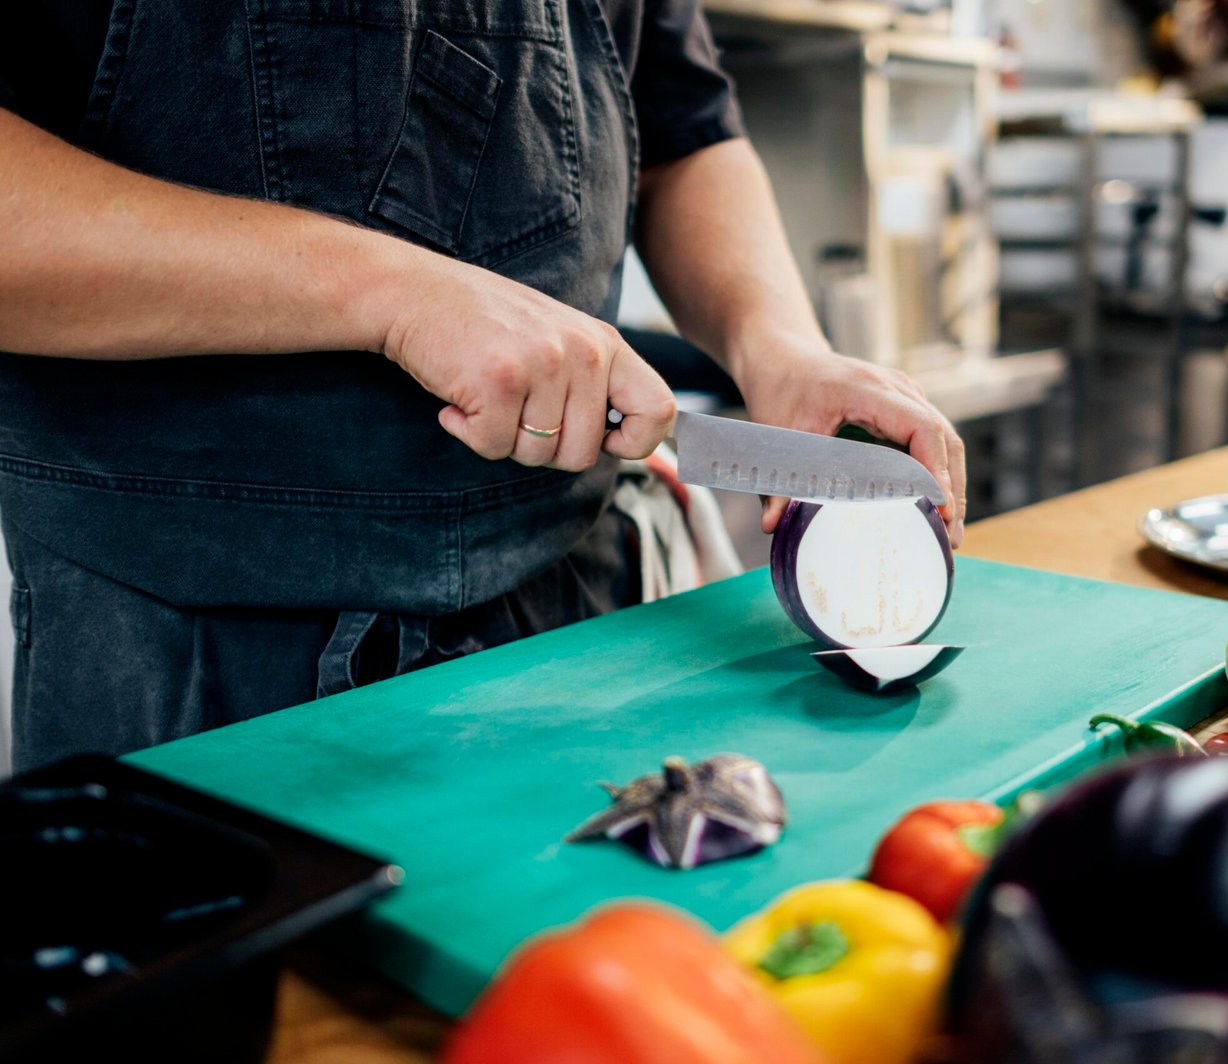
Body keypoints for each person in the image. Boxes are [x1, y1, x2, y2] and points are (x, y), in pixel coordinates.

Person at [0, 2, 967, 774]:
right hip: (188, 653)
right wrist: (394, 293)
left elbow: (685, 132)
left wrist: (779, 347)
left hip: (575, 612)